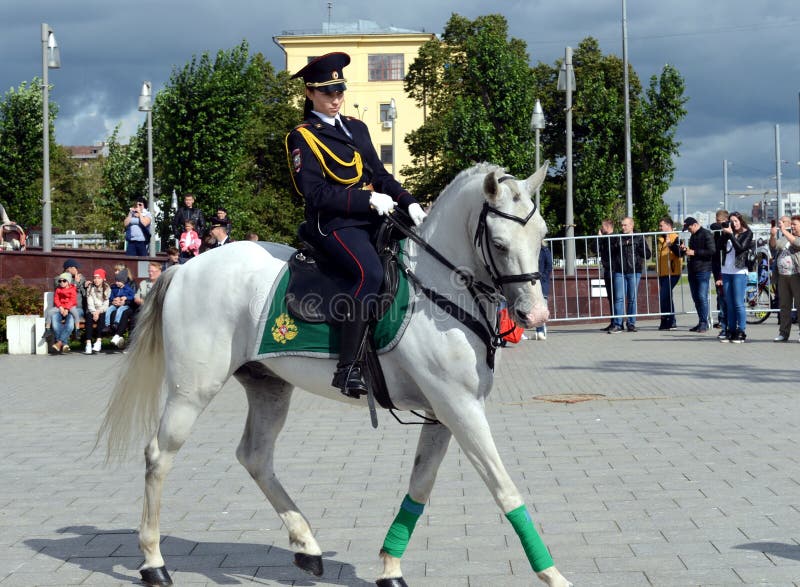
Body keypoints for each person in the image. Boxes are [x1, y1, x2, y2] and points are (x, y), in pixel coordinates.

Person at [285, 52, 426, 398]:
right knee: (370, 274)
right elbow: (314, 193)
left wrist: (410, 201)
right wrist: (366, 200)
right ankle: (348, 367)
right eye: (326, 93)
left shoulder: (357, 127)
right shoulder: (302, 136)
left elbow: (379, 175)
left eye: (339, 91)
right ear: (309, 93)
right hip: (332, 224)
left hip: (370, 216)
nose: (335, 99)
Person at [608, 217, 651, 333]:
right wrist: (615, 245)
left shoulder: (639, 237)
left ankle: (631, 323)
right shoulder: (617, 237)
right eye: (622, 225)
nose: (623, 227)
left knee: (632, 299)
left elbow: (648, 254)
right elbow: (610, 252)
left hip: (634, 271)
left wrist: (638, 247)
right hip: (619, 271)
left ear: (632, 225)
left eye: (625, 225)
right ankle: (618, 324)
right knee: (619, 298)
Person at [717, 211, 754, 343]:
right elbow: (718, 247)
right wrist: (725, 234)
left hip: (739, 271)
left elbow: (740, 248)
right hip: (726, 271)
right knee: (729, 303)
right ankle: (731, 330)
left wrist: (732, 235)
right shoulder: (728, 233)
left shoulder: (747, 233)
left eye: (736, 221)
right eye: (731, 222)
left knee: (738, 303)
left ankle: (741, 331)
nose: (734, 224)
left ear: (741, 221)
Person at [677, 217, 716, 333]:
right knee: (696, 298)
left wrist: (694, 252)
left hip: (703, 270)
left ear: (694, 225)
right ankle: (701, 321)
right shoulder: (693, 235)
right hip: (693, 270)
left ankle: (704, 323)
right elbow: (693, 251)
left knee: (702, 297)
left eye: (689, 228)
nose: (688, 230)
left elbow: (712, 251)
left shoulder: (706, 234)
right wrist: (686, 250)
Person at [770, 215, 800, 342]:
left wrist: (784, 231)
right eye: (791, 224)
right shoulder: (784, 238)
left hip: (796, 275)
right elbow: (773, 246)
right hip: (783, 276)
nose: (792, 226)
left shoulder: (793, 237)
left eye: (794, 224)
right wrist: (772, 235)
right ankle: (784, 333)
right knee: (784, 305)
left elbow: (797, 243)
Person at [45, 258, 86, 338]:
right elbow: (62, 287)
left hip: (76, 308)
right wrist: (76, 283)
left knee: (70, 320)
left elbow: (82, 291)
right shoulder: (59, 279)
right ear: (69, 269)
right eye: (75, 268)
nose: (77, 270)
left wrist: (83, 284)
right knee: (55, 320)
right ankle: (63, 344)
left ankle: (61, 343)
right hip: (60, 308)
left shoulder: (81, 278)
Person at [656, 216, 682, 330]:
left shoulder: (675, 238)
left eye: (661, 225)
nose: (659, 228)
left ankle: (667, 319)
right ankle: (671, 321)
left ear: (668, 226)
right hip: (663, 273)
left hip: (673, 272)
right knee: (667, 297)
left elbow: (680, 253)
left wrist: (670, 245)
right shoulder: (660, 239)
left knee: (664, 296)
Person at [709, 209, 729, 336]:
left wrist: (724, 226)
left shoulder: (728, 230)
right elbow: (713, 226)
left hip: (725, 264)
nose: (716, 223)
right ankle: (721, 318)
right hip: (717, 263)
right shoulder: (718, 230)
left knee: (724, 293)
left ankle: (724, 319)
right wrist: (720, 225)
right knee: (719, 291)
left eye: (719, 220)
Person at [83, 268, 110, 354]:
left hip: (101, 310)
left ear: (103, 279)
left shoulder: (107, 288)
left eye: (98, 278)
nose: (96, 280)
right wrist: (94, 312)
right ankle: (88, 343)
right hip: (92, 309)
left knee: (102, 317)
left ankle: (98, 341)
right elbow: (89, 302)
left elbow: (106, 304)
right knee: (88, 318)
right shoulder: (90, 288)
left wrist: (98, 312)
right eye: (95, 278)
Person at [105, 271, 135, 348]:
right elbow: (111, 296)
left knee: (120, 310)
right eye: (116, 281)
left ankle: (116, 323)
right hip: (115, 304)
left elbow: (132, 296)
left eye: (119, 281)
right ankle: (107, 325)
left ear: (123, 281)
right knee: (109, 309)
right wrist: (114, 299)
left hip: (124, 305)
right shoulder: (114, 288)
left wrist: (126, 298)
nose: (117, 283)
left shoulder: (128, 289)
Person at [51, 272, 76, 353]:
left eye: (64, 281)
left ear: (68, 281)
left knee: (70, 325)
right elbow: (56, 299)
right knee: (55, 323)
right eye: (60, 281)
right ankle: (64, 344)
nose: (61, 282)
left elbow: (73, 300)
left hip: (70, 310)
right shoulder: (58, 289)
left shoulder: (72, 289)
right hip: (59, 309)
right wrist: (61, 307)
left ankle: (59, 343)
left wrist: (67, 309)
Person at [597, 219, 615, 331]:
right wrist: (598, 238)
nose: (601, 229)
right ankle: (613, 321)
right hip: (607, 270)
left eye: (602, 227)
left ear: (607, 227)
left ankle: (616, 322)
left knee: (615, 297)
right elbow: (595, 249)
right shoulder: (603, 239)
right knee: (610, 297)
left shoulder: (614, 238)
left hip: (614, 270)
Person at [533, 243, 553, 340]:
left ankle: (540, 330)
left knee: (541, 306)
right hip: (532, 283)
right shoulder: (531, 249)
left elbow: (549, 266)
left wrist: (542, 278)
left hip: (541, 283)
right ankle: (539, 330)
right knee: (534, 307)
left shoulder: (544, 250)